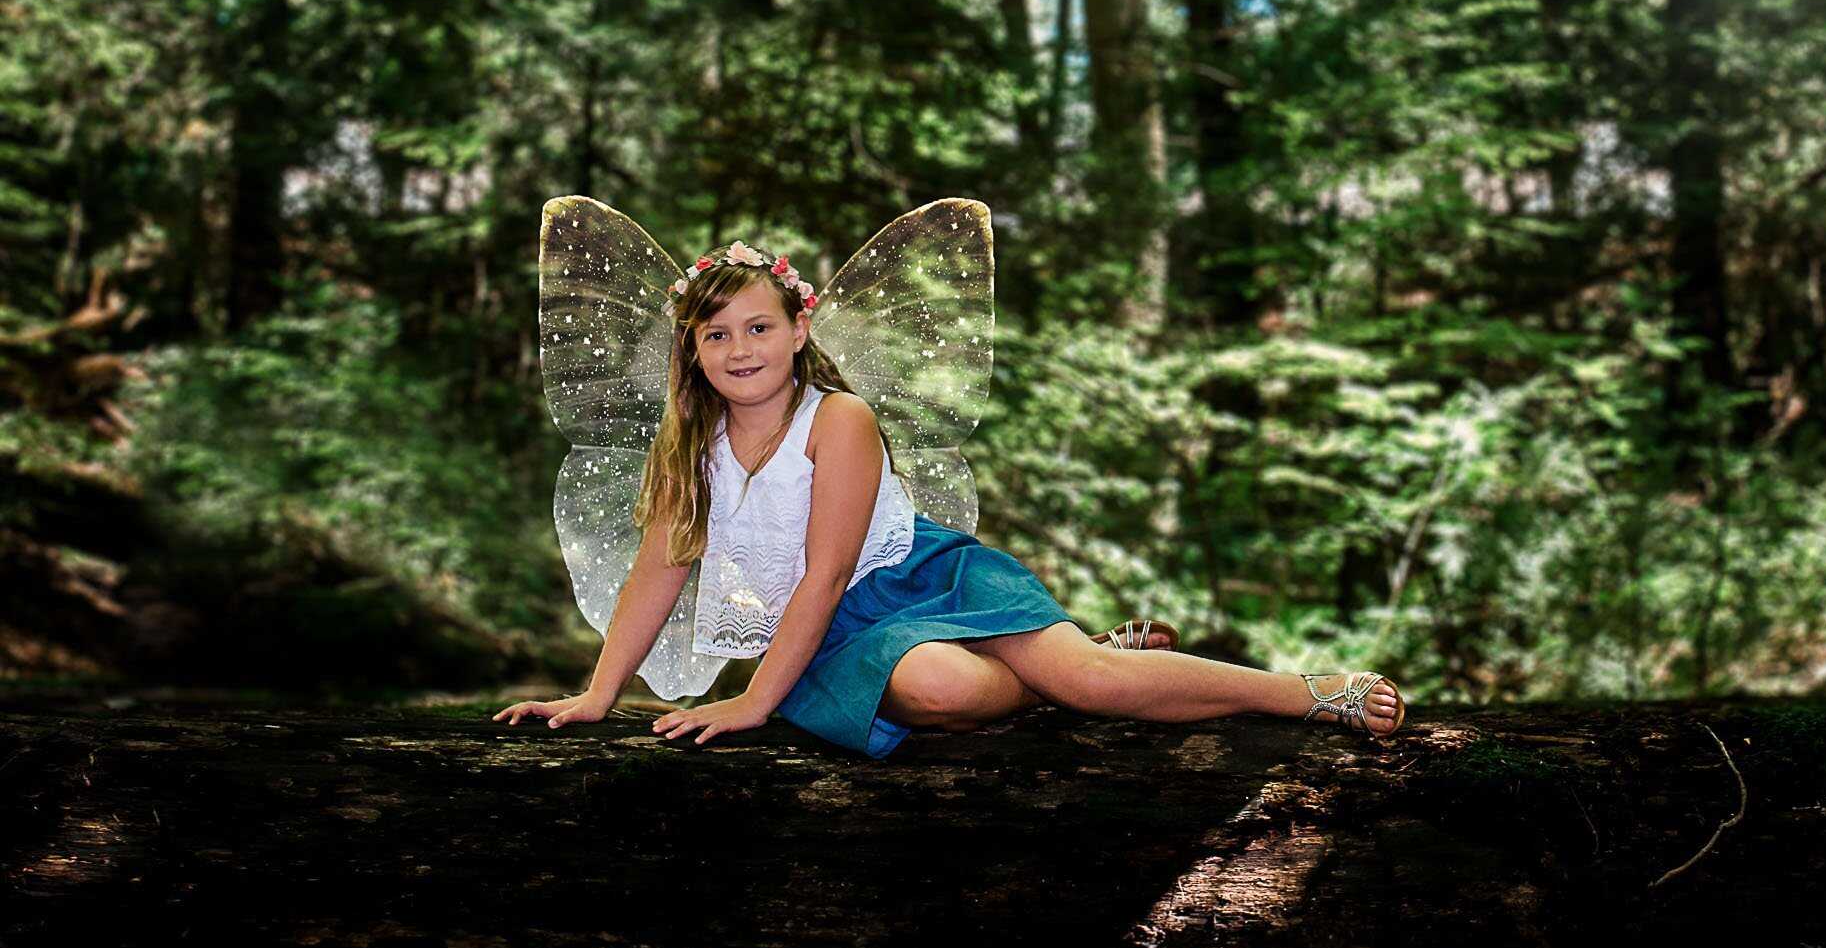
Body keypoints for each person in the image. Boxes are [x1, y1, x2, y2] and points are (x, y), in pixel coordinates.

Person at [494, 242, 1404, 757]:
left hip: (916, 584)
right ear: (691, 347)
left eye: (760, 327)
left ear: (799, 327)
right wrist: (597, 692)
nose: (740, 349)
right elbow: (660, 567)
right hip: (826, 637)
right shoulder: (689, 444)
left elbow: (827, 572)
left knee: (1087, 688)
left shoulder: (837, 418)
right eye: (717, 333)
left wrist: (753, 706)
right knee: (940, 691)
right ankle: (1068, 658)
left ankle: (1306, 692)